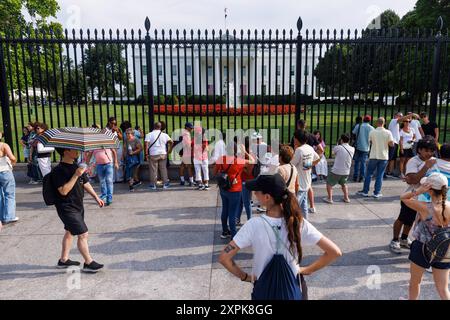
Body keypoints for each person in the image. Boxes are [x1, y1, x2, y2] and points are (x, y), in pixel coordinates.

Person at [218, 173, 342, 300]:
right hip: (291, 290)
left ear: (267, 197)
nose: (254, 194)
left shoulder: (253, 225)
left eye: (257, 191)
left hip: (263, 290)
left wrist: (245, 277)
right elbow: (334, 252)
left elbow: (224, 258)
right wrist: (307, 269)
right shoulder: (298, 223)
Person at [52, 147, 105, 273]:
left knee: (70, 231)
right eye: (73, 150)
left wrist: (96, 197)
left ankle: (63, 260)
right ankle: (88, 262)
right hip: (66, 207)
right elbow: (63, 191)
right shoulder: (58, 171)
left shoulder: (76, 166)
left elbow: (85, 183)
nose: (76, 152)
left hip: (78, 206)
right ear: (65, 152)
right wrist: (76, 175)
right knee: (83, 234)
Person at [400, 172, 450, 300]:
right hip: (445, 249)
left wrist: (418, 191)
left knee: (415, 282)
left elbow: (404, 198)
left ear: (430, 190)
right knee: (443, 288)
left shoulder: (424, 207)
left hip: (422, 248)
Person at [389, 137, 437, 254]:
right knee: (403, 218)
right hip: (411, 197)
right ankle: (395, 239)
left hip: (425, 198)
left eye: (431, 151)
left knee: (410, 221)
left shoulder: (434, 160)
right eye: (426, 150)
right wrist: (426, 166)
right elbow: (412, 180)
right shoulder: (414, 161)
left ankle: (404, 238)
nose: (429, 153)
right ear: (419, 150)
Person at [214, 142, 246, 239]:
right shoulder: (239, 161)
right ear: (236, 150)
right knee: (232, 212)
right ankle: (234, 234)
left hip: (223, 188)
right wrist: (245, 152)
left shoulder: (221, 159)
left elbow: (215, 172)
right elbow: (252, 161)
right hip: (235, 189)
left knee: (225, 209)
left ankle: (224, 231)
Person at [357, 117, 394, 198]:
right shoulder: (388, 132)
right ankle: (376, 192)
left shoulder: (372, 132)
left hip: (373, 155)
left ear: (377, 123)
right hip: (383, 156)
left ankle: (365, 191)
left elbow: (370, 142)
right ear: (384, 123)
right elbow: (391, 144)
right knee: (379, 175)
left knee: (369, 174)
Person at [291, 130, 320, 219]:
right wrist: (308, 166)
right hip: (307, 182)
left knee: (293, 208)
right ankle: (305, 224)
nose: (293, 139)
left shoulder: (299, 150)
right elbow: (318, 158)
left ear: (297, 139)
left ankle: (293, 226)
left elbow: (291, 164)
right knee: (304, 207)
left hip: (299, 184)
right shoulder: (309, 147)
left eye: (294, 138)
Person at [324, 134, 355, 204]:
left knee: (329, 183)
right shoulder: (353, 149)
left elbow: (333, 153)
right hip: (346, 171)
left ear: (341, 140)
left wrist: (338, 144)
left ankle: (330, 198)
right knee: (344, 184)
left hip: (336, 170)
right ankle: (346, 198)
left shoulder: (338, 147)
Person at [145, 122, 173, 190]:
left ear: (154, 126)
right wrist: (169, 150)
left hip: (153, 154)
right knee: (163, 169)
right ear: (160, 127)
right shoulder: (165, 135)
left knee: (153, 169)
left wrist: (146, 153)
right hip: (163, 153)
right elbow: (171, 142)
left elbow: (146, 144)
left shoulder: (149, 134)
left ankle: (153, 184)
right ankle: (165, 183)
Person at [237, 136, 256, 226]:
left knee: (246, 202)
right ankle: (237, 218)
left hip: (246, 182)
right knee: (240, 201)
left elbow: (248, 171)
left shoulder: (249, 155)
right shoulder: (246, 154)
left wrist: (240, 167)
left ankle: (250, 220)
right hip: (243, 181)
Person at [0, 136, 18, 224]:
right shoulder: (3, 145)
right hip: (4, 171)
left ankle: (1, 216)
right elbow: (12, 157)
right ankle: (9, 216)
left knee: (0, 195)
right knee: (9, 194)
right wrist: (13, 162)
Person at [352, 115, 374, 182]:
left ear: (363, 119)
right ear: (369, 120)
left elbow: (353, 133)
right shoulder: (371, 128)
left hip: (358, 146)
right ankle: (362, 176)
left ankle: (355, 176)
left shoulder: (358, 126)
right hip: (366, 147)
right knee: (363, 163)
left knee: (356, 162)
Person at [386, 112, 405, 178]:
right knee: (390, 158)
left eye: (401, 116)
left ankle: (390, 172)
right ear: (395, 116)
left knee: (393, 158)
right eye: (400, 116)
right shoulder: (394, 121)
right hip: (392, 142)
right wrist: (411, 115)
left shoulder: (396, 124)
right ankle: (386, 172)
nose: (401, 117)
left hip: (395, 143)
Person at [105, 117, 124, 183]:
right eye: (112, 123)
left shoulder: (117, 129)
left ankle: (119, 178)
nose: (113, 125)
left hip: (117, 147)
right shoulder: (105, 130)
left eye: (115, 123)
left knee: (119, 163)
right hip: (109, 148)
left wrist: (117, 132)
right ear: (109, 123)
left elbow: (121, 138)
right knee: (111, 163)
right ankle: (112, 179)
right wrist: (111, 132)